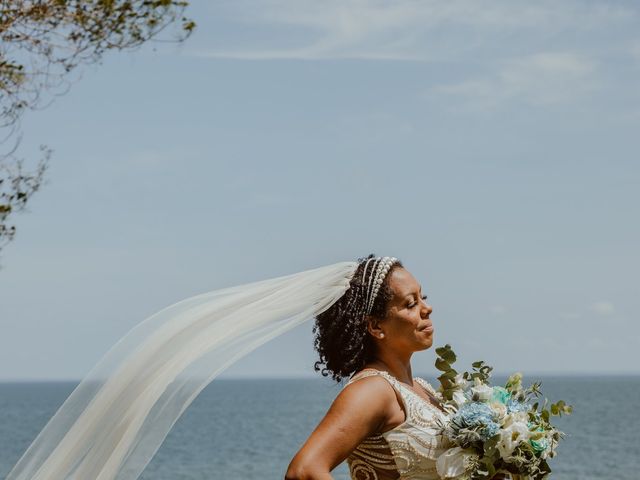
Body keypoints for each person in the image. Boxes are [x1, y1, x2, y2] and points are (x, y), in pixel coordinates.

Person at [285, 255, 450, 480]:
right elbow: (303, 471)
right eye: (411, 304)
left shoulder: (421, 387)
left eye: (423, 297)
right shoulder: (373, 390)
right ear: (375, 326)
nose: (427, 308)